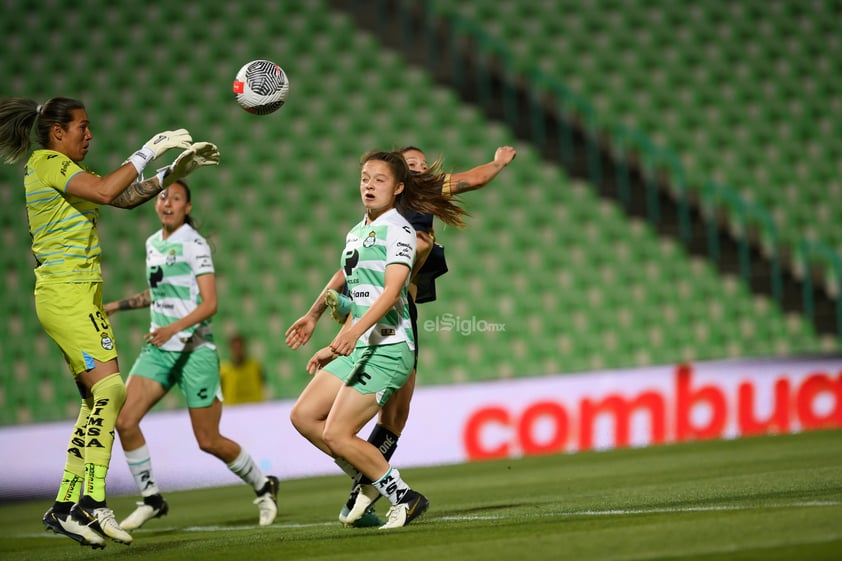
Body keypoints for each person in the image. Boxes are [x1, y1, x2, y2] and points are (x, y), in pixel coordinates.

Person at [0, 96, 218, 549]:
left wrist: (174, 173)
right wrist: (150, 148)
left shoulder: (62, 172)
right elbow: (105, 191)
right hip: (66, 293)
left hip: (78, 295)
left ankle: (64, 507)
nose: (90, 134)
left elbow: (121, 197)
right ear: (57, 132)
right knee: (113, 390)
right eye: (83, 126)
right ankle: (92, 502)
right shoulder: (46, 164)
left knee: (95, 401)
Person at [285, 145, 516, 526]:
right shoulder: (359, 233)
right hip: (365, 326)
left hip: (391, 327)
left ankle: (389, 490)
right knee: (307, 417)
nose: (370, 185)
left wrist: (499, 162)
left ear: (398, 186)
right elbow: (351, 276)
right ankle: (373, 480)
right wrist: (318, 319)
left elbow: (392, 291)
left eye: (381, 179)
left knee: (382, 421)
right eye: (365, 179)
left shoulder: (405, 226)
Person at [103, 180, 280, 530]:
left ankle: (264, 485)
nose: (168, 202)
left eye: (177, 198)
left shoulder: (195, 244)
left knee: (208, 440)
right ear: (156, 204)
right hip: (160, 351)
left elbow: (210, 304)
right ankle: (152, 499)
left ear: (188, 207)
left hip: (195, 350)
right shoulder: (152, 243)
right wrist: (116, 306)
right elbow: (159, 293)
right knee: (124, 421)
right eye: (163, 197)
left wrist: (172, 328)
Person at [220, 332, 266, 405]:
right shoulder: (224, 370)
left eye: (239, 347)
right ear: (230, 349)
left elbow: (263, 384)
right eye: (235, 348)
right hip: (233, 410)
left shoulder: (255, 366)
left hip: (255, 409)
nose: (238, 351)